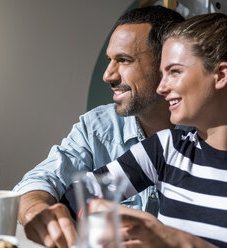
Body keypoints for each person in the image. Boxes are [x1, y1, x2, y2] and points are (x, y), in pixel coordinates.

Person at [87, 10, 227, 247]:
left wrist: (174, 240)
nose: (161, 88)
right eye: (162, 74)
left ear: (221, 75)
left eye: (174, 72)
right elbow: (80, 195)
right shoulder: (165, 148)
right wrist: (91, 210)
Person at [12, 6, 184, 248]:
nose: (108, 75)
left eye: (124, 60)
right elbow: (43, 178)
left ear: (167, 65)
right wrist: (36, 211)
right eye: (109, 60)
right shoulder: (96, 127)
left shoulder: (207, 137)